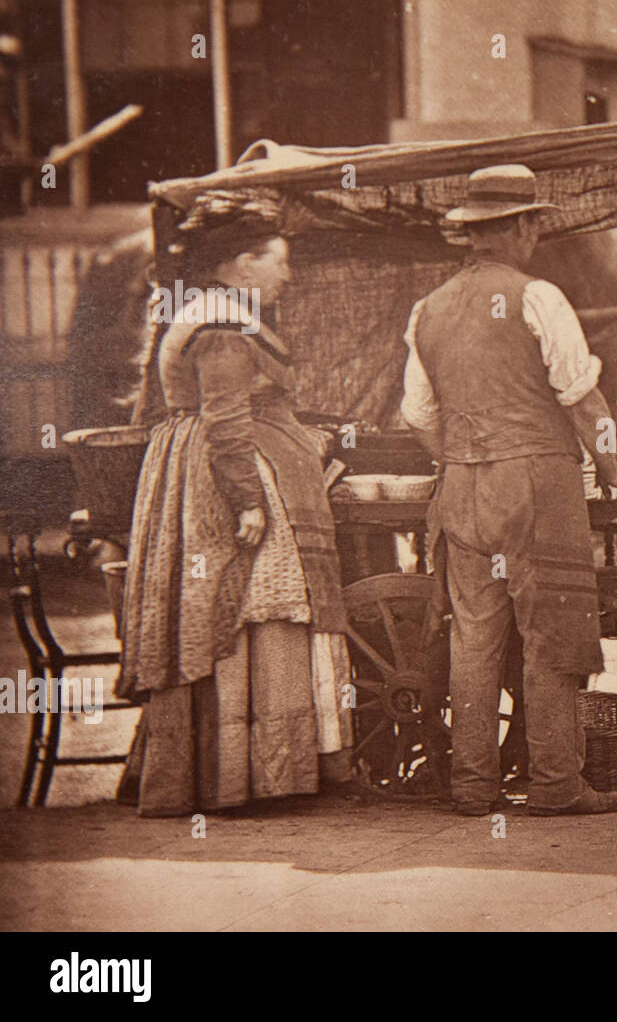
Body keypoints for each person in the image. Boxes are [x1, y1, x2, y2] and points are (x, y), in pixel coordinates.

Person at [401, 164, 617, 817]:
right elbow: (581, 398)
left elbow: (419, 415)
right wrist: (614, 468)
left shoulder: (430, 309)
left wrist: (464, 457)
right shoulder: (539, 296)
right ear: (520, 227)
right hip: (535, 485)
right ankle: (557, 782)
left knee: (474, 639)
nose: (537, 232)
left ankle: (473, 786)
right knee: (551, 635)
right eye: (534, 221)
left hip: (462, 490)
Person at [116, 190, 353, 816]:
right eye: (277, 260)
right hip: (223, 479)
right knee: (248, 607)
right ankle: (245, 778)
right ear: (242, 262)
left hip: (211, 468)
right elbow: (225, 420)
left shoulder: (214, 311)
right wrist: (248, 501)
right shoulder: (221, 323)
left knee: (236, 610)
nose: (287, 274)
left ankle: (237, 773)